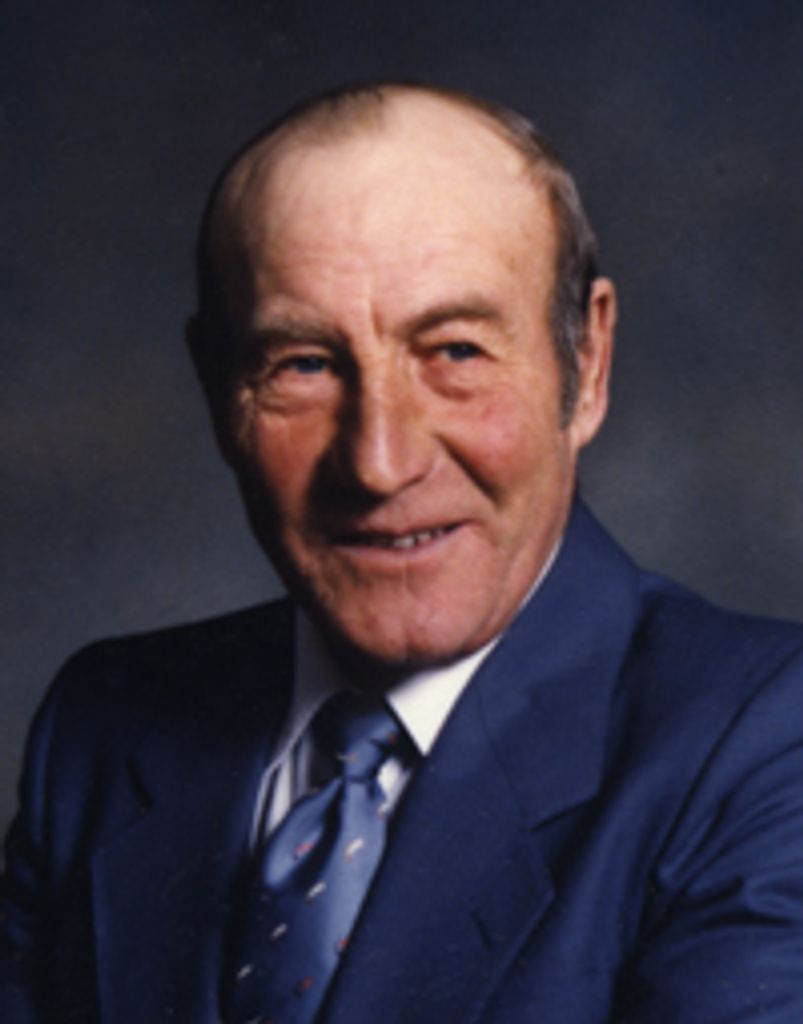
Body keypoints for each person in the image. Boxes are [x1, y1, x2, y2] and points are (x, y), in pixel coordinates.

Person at [3, 81, 803, 1024]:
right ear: (218, 389)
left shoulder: (763, 744)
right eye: (303, 365)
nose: (379, 462)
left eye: (455, 352)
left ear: (585, 365)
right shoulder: (102, 726)